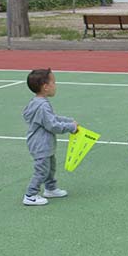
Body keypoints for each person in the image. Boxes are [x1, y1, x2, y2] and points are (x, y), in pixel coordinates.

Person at [22, 68, 78, 206]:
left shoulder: (39, 102)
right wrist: (71, 127)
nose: (55, 85)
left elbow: (52, 118)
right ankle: (30, 195)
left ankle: (50, 188)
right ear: (45, 87)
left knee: (50, 167)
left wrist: (68, 121)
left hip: (45, 143)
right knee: (42, 170)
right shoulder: (42, 106)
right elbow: (52, 125)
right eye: (54, 82)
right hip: (40, 144)